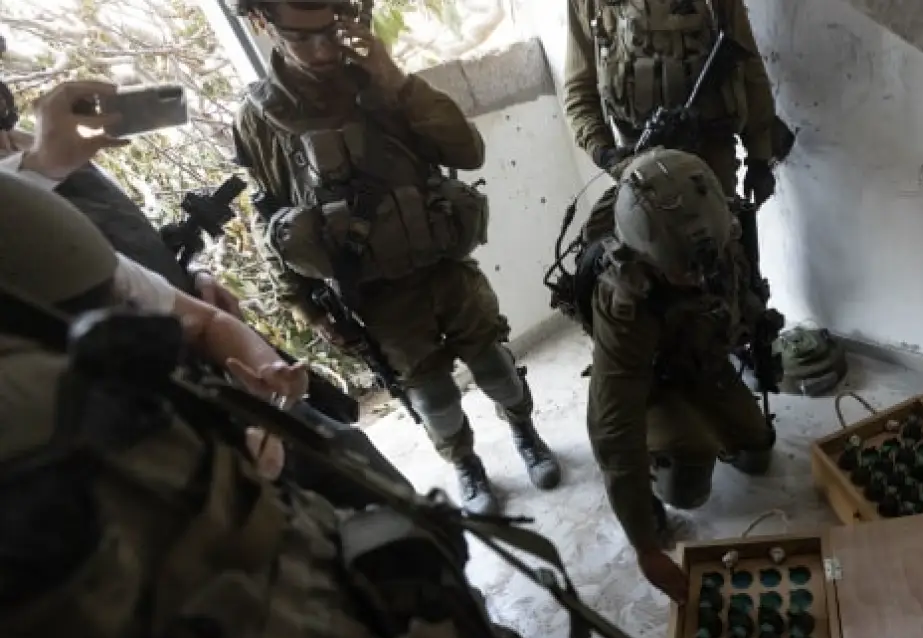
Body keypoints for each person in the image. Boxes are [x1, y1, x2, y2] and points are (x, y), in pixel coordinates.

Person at [0, 172, 765, 638]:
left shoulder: (57, 277)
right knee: (444, 415)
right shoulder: (74, 580)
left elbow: (330, 604)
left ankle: (518, 467)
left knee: (421, 537)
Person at [0, 76, 411, 504]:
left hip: (212, 370)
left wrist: (192, 280)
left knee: (376, 487)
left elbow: (138, 263)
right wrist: (42, 166)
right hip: (143, 457)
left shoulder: (49, 152)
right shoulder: (38, 170)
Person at [233, 0, 562, 516]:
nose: (322, 51)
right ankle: (466, 466)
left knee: (496, 368)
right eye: (301, 38)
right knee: (434, 400)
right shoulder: (260, 118)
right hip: (380, 294)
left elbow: (466, 151)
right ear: (261, 25)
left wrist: (394, 79)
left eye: (330, 33)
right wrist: (307, 309)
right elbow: (268, 218)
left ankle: (527, 435)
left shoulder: (377, 80)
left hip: (445, 266)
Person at [582, 149, 772, 603]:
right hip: (652, 381)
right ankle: (661, 463)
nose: (698, 277)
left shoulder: (722, 228)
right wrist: (644, 546)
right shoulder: (626, 303)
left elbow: (738, 296)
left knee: (757, 452)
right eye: (683, 270)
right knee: (688, 483)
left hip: (700, 360)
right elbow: (612, 423)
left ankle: (702, 419)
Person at [563, 0, 778, 202]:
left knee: (723, 233)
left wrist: (760, 156)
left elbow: (749, 66)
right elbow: (579, 90)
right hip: (640, 161)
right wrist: (603, 153)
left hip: (712, 151)